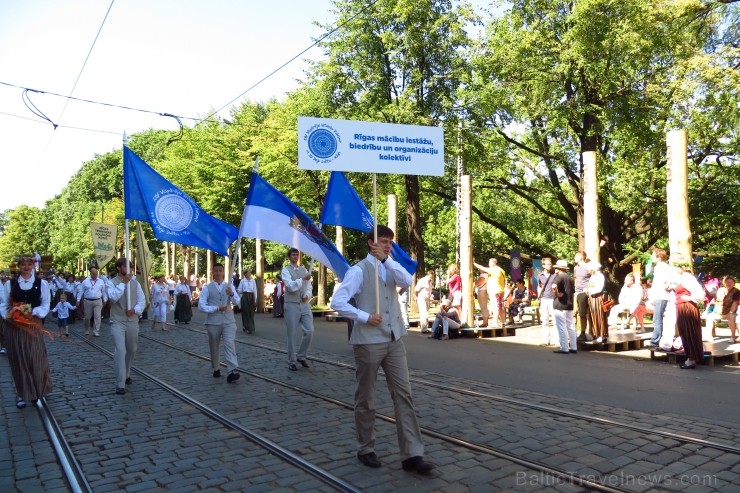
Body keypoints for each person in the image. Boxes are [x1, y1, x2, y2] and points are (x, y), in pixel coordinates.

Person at [331, 225, 434, 474]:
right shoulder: (358, 270)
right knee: (366, 397)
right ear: (370, 243)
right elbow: (337, 302)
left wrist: (387, 260)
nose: (387, 245)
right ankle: (366, 447)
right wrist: (364, 317)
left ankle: (412, 454)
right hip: (368, 342)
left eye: (389, 242)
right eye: (383, 242)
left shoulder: (390, 266)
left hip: (394, 339)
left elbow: (407, 280)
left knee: (403, 395)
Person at [0, 254, 52, 409]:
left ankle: (40, 389)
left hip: (32, 323)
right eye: (23, 264)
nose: (26, 267)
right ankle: (22, 393)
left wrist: (34, 311)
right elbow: (3, 303)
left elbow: (45, 303)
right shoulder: (10, 284)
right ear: (19, 266)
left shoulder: (41, 283)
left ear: (33, 265)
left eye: (29, 264)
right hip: (15, 324)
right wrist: (9, 314)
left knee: (36, 356)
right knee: (19, 358)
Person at [104, 258, 146, 394]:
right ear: (118, 268)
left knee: (132, 349)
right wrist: (123, 283)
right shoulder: (111, 283)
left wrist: (135, 310)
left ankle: (127, 373)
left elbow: (142, 301)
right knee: (120, 351)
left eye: (130, 267)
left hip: (132, 320)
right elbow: (113, 298)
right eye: (126, 267)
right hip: (117, 321)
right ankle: (120, 383)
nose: (129, 270)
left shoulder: (136, 284)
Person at [198, 263, 241, 383]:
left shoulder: (229, 286)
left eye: (220, 271)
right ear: (213, 272)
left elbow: (238, 302)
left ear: (223, 272)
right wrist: (216, 308)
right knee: (214, 345)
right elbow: (201, 306)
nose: (218, 273)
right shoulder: (207, 288)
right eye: (215, 271)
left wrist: (231, 294)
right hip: (213, 322)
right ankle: (216, 367)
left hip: (228, 321)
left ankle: (232, 370)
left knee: (229, 343)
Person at [667, 255, 705, 369]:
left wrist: (690, 298)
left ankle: (692, 358)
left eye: (675, 267)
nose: (673, 269)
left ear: (681, 267)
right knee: (685, 332)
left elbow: (699, 293)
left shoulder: (687, 277)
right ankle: (692, 357)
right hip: (682, 307)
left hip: (687, 308)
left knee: (689, 333)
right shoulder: (682, 278)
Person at [280, 248, 314, 371]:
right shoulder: (286, 270)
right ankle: (292, 360)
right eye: (293, 255)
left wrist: (307, 295)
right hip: (291, 304)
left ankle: (301, 355)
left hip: (304, 304)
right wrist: (303, 279)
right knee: (292, 333)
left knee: (309, 330)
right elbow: (290, 286)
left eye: (297, 255)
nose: (295, 256)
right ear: (289, 256)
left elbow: (309, 286)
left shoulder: (304, 269)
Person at [551, 260, 577, 354]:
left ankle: (564, 347)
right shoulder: (570, 278)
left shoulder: (559, 277)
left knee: (561, 327)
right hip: (569, 304)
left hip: (560, 305)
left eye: (556, 268)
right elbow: (572, 291)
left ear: (559, 268)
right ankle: (573, 347)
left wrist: (557, 294)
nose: (555, 269)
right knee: (570, 326)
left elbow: (553, 286)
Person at [648, 248, 671, 347]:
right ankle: (656, 340)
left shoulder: (664, 267)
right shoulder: (657, 267)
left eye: (653, 255)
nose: (651, 257)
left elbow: (666, 280)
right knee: (657, 319)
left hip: (662, 295)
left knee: (657, 319)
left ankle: (655, 341)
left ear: (659, 257)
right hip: (658, 295)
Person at [475, 258, 507, 328]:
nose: (488, 265)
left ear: (493, 263)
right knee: (501, 307)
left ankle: (495, 323)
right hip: (501, 290)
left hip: (494, 291)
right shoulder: (501, 270)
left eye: (489, 263)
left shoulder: (493, 270)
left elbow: (482, 268)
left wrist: (474, 263)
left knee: (495, 307)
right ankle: (503, 322)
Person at [76, 266, 106, 337]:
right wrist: (78, 300)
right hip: (87, 301)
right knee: (87, 317)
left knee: (97, 316)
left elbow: (104, 291)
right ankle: (87, 330)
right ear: (91, 274)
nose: (95, 275)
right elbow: (81, 291)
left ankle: (96, 331)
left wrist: (105, 299)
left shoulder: (101, 281)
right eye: (94, 274)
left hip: (98, 301)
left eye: (96, 274)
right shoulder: (85, 281)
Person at [586, 261, 609, 343]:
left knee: (599, 316)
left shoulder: (600, 276)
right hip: (592, 298)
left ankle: (602, 334)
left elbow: (599, 288)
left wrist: (590, 291)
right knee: (593, 316)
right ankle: (596, 333)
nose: (588, 271)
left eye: (589, 269)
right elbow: (591, 286)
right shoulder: (593, 276)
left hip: (598, 297)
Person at [537, 257, 557, 346]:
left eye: (550, 263)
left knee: (555, 320)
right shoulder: (540, 275)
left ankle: (557, 340)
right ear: (543, 265)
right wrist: (539, 296)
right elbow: (540, 286)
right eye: (548, 264)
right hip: (544, 299)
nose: (550, 265)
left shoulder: (555, 274)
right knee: (544, 320)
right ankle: (546, 340)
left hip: (553, 299)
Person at [573, 251, 591, 340]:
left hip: (584, 293)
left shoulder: (588, 267)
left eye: (575, 256)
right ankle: (573, 332)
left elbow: (593, 279)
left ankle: (583, 332)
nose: (574, 258)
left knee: (583, 313)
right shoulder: (576, 268)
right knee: (574, 312)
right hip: (576, 292)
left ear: (581, 257)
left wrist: (588, 289)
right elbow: (576, 279)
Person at [237, 269, 258, 334]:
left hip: (251, 296)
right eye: (248, 273)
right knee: (245, 312)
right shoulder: (243, 281)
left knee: (251, 312)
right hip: (245, 296)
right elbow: (239, 289)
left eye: (250, 272)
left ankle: (251, 327)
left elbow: (255, 290)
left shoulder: (253, 281)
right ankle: (246, 326)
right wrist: (240, 291)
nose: (249, 274)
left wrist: (255, 299)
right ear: (245, 274)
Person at [720, 276, 739, 343]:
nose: (729, 283)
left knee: (730, 317)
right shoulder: (722, 291)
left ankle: (733, 336)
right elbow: (716, 300)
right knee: (710, 316)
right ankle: (709, 336)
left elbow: (735, 303)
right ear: (724, 283)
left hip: (734, 312)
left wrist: (730, 312)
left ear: (734, 283)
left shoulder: (736, 292)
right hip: (722, 311)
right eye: (728, 282)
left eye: (731, 282)